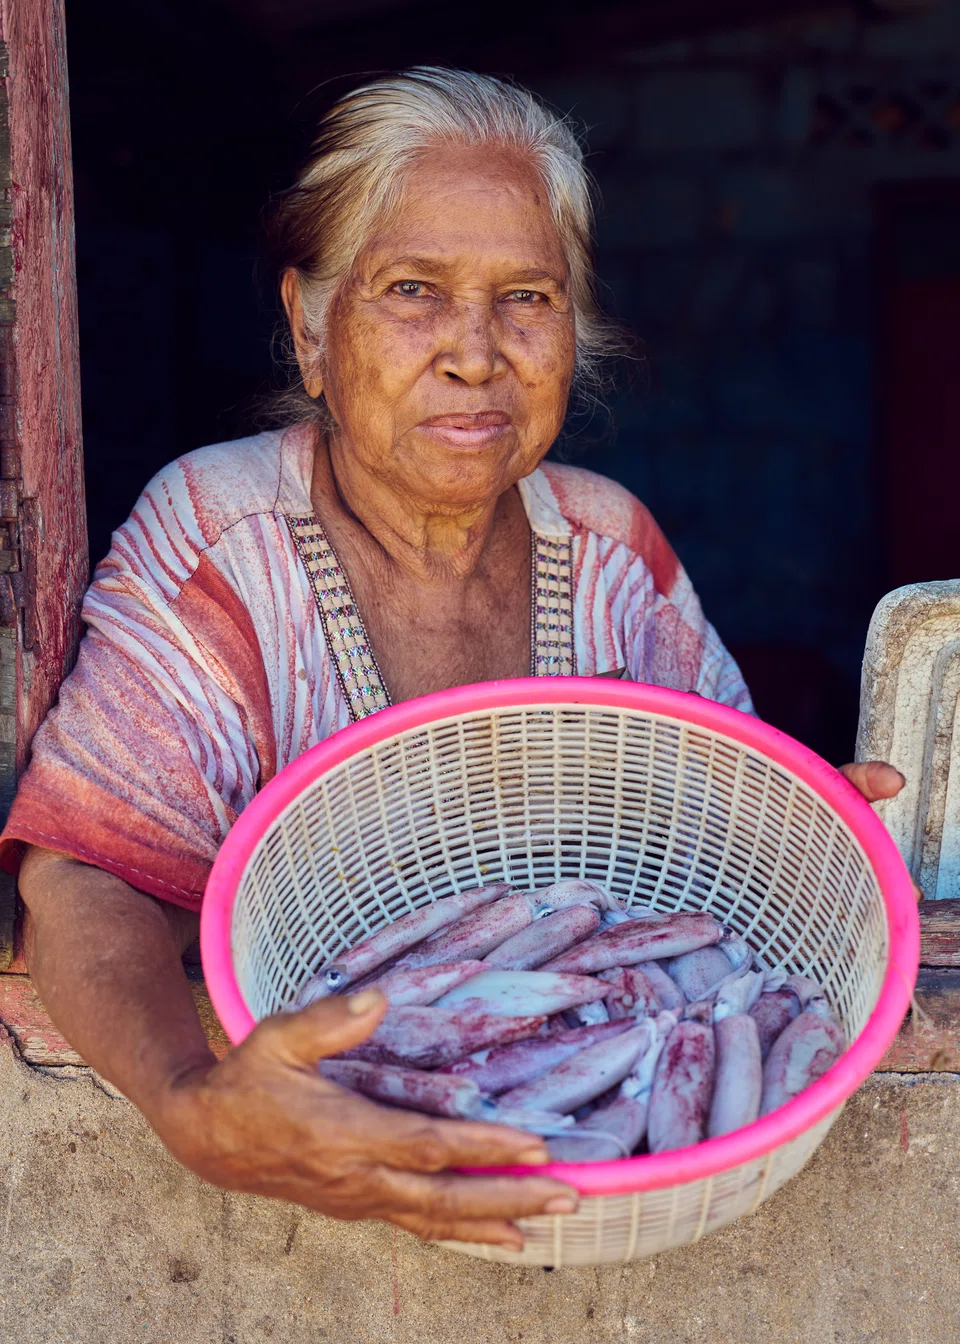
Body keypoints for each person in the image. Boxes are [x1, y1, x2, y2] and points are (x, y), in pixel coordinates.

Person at [0, 68, 906, 1252]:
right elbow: (80, 873)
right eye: (414, 291)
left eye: (525, 297)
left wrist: (812, 822)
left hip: (623, 1220)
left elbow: (717, 848)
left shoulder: (610, 544)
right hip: (310, 1218)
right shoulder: (222, 538)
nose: (476, 354)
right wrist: (188, 1101)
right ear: (311, 326)